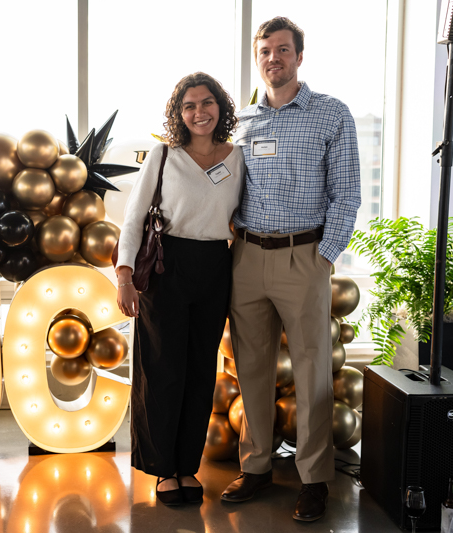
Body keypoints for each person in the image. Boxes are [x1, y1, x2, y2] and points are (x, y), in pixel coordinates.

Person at [220, 17, 361, 522]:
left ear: (300, 57)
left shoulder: (331, 115)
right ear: (257, 58)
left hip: (306, 256)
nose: (273, 58)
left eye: (283, 50)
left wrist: (323, 259)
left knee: (312, 372)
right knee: (251, 369)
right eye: (265, 51)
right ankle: (256, 467)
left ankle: (314, 479)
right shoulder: (238, 123)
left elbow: (347, 195)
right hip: (247, 257)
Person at [115, 72, 244, 506]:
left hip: (214, 265)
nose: (198, 112)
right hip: (166, 266)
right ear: (179, 113)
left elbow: (243, 216)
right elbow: (134, 218)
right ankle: (163, 469)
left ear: (220, 108)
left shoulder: (238, 156)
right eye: (189, 106)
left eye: (206, 103)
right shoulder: (164, 155)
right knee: (162, 369)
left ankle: (187, 465)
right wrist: (124, 275)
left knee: (199, 372)